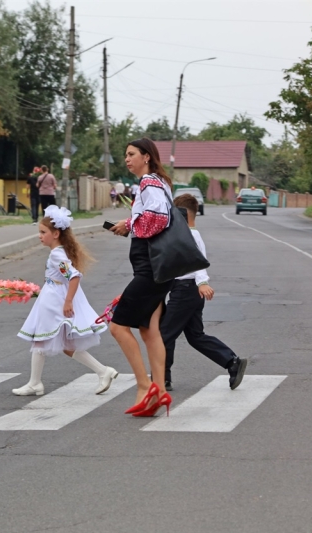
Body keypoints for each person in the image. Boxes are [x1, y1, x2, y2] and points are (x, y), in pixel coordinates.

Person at [14, 205, 117, 396]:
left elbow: (74, 276)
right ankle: (103, 371)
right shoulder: (58, 253)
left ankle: (35, 383)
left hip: (54, 302)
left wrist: (68, 301)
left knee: (41, 339)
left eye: (43, 232)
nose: (40, 236)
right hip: (52, 298)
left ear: (55, 234)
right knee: (65, 345)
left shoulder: (57, 255)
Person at [108, 138, 174, 417]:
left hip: (150, 269)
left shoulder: (149, 182)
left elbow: (158, 219)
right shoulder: (159, 183)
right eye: (126, 155)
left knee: (118, 326)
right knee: (149, 330)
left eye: (132, 154)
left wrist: (129, 224)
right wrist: (131, 226)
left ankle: (144, 385)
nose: (127, 158)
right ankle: (159, 390)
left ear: (147, 156)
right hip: (158, 268)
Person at [160, 194, 248, 391]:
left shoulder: (189, 235)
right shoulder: (189, 233)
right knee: (195, 336)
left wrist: (202, 282)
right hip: (188, 291)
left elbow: (197, 261)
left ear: (182, 213)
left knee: (164, 334)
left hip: (185, 290)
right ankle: (232, 362)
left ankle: (162, 377)